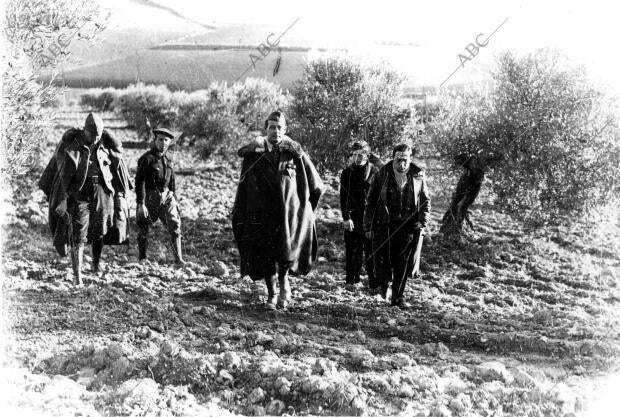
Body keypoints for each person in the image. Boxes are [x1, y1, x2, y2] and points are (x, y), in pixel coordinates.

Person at [232, 111, 324, 310]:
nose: (276, 131)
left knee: (285, 253)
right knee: (265, 254)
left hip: (287, 216)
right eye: (272, 127)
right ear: (266, 129)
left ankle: (284, 287)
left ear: (285, 129)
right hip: (262, 215)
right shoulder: (253, 154)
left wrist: (305, 213)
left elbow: (316, 185)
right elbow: (244, 188)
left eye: (279, 127)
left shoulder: (295, 154)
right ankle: (271, 295)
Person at [39, 113, 130, 285]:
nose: (95, 139)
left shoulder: (106, 143)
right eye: (91, 135)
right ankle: (77, 278)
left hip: (102, 191)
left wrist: (119, 195)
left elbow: (119, 159)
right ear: (85, 130)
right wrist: (63, 198)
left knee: (100, 230)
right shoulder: (72, 143)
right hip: (79, 194)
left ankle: (95, 265)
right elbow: (63, 172)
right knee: (78, 235)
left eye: (98, 136)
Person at [363, 143, 430, 308]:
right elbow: (370, 202)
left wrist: (423, 220)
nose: (402, 163)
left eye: (405, 159)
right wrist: (368, 226)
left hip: (408, 227)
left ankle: (398, 298)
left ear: (410, 159)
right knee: (383, 261)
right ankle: (383, 290)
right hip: (384, 225)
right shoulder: (381, 174)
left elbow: (425, 200)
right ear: (393, 158)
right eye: (398, 159)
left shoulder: (418, 175)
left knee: (403, 263)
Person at [135, 128, 185, 265]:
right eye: (160, 139)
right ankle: (142, 258)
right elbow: (140, 182)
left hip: (166, 196)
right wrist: (141, 203)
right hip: (150, 196)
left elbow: (172, 180)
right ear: (155, 140)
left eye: (166, 140)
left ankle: (178, 259)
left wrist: (174, 197)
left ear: (169, 143)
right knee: (143, 226)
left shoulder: (169, 160)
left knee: (175, 226)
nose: (163, 143)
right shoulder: (146, 159)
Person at [339, 140, 380, 290]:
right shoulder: (347, 173)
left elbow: (379, 199)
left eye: (361, 155)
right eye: (355, 155)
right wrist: (345, 218)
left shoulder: (375, 172)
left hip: (370, 218)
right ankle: (352, 284)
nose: (358, 158)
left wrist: (375, 220)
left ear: (367, 156)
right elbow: (343, 198)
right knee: (352, 252)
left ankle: (374, 285)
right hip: (353, 218)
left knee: (372, 252)